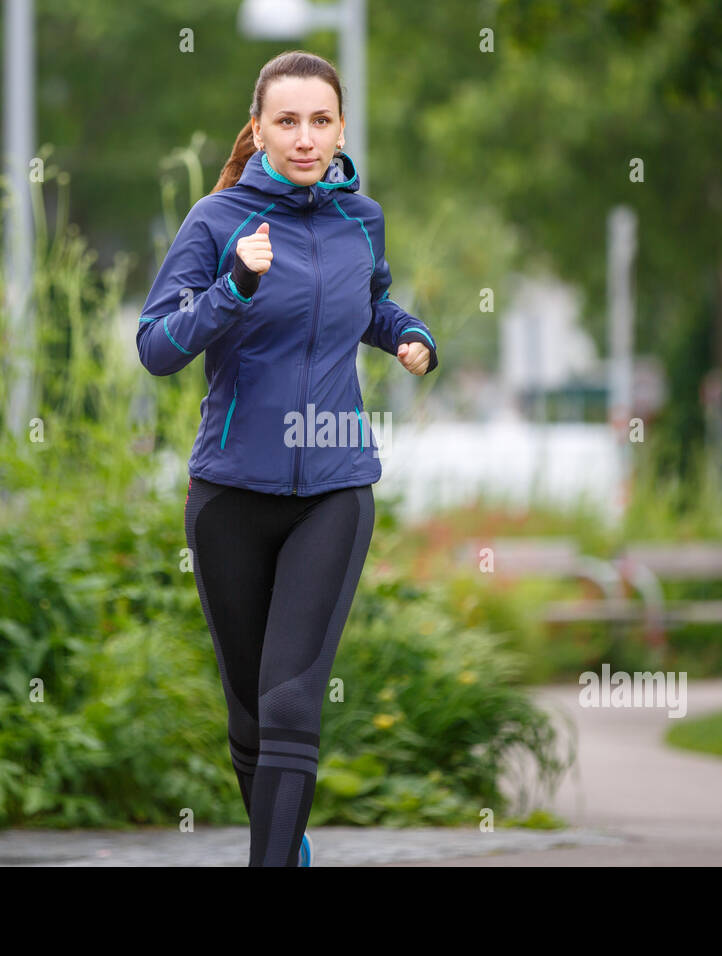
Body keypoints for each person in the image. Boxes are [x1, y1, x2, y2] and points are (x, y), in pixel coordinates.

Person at [136, 50, 439, 867]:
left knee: (294, 699)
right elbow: (156, 346)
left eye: (321, 121)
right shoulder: (216, 221)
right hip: (230, 492)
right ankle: (285, 844)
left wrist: (408, 333)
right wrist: (231, 288)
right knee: (250, 714)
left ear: (340, 127)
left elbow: (368, 299)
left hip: (335, 488)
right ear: (260, 127)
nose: (306, 139)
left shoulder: (360, 219)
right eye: (287, 121)